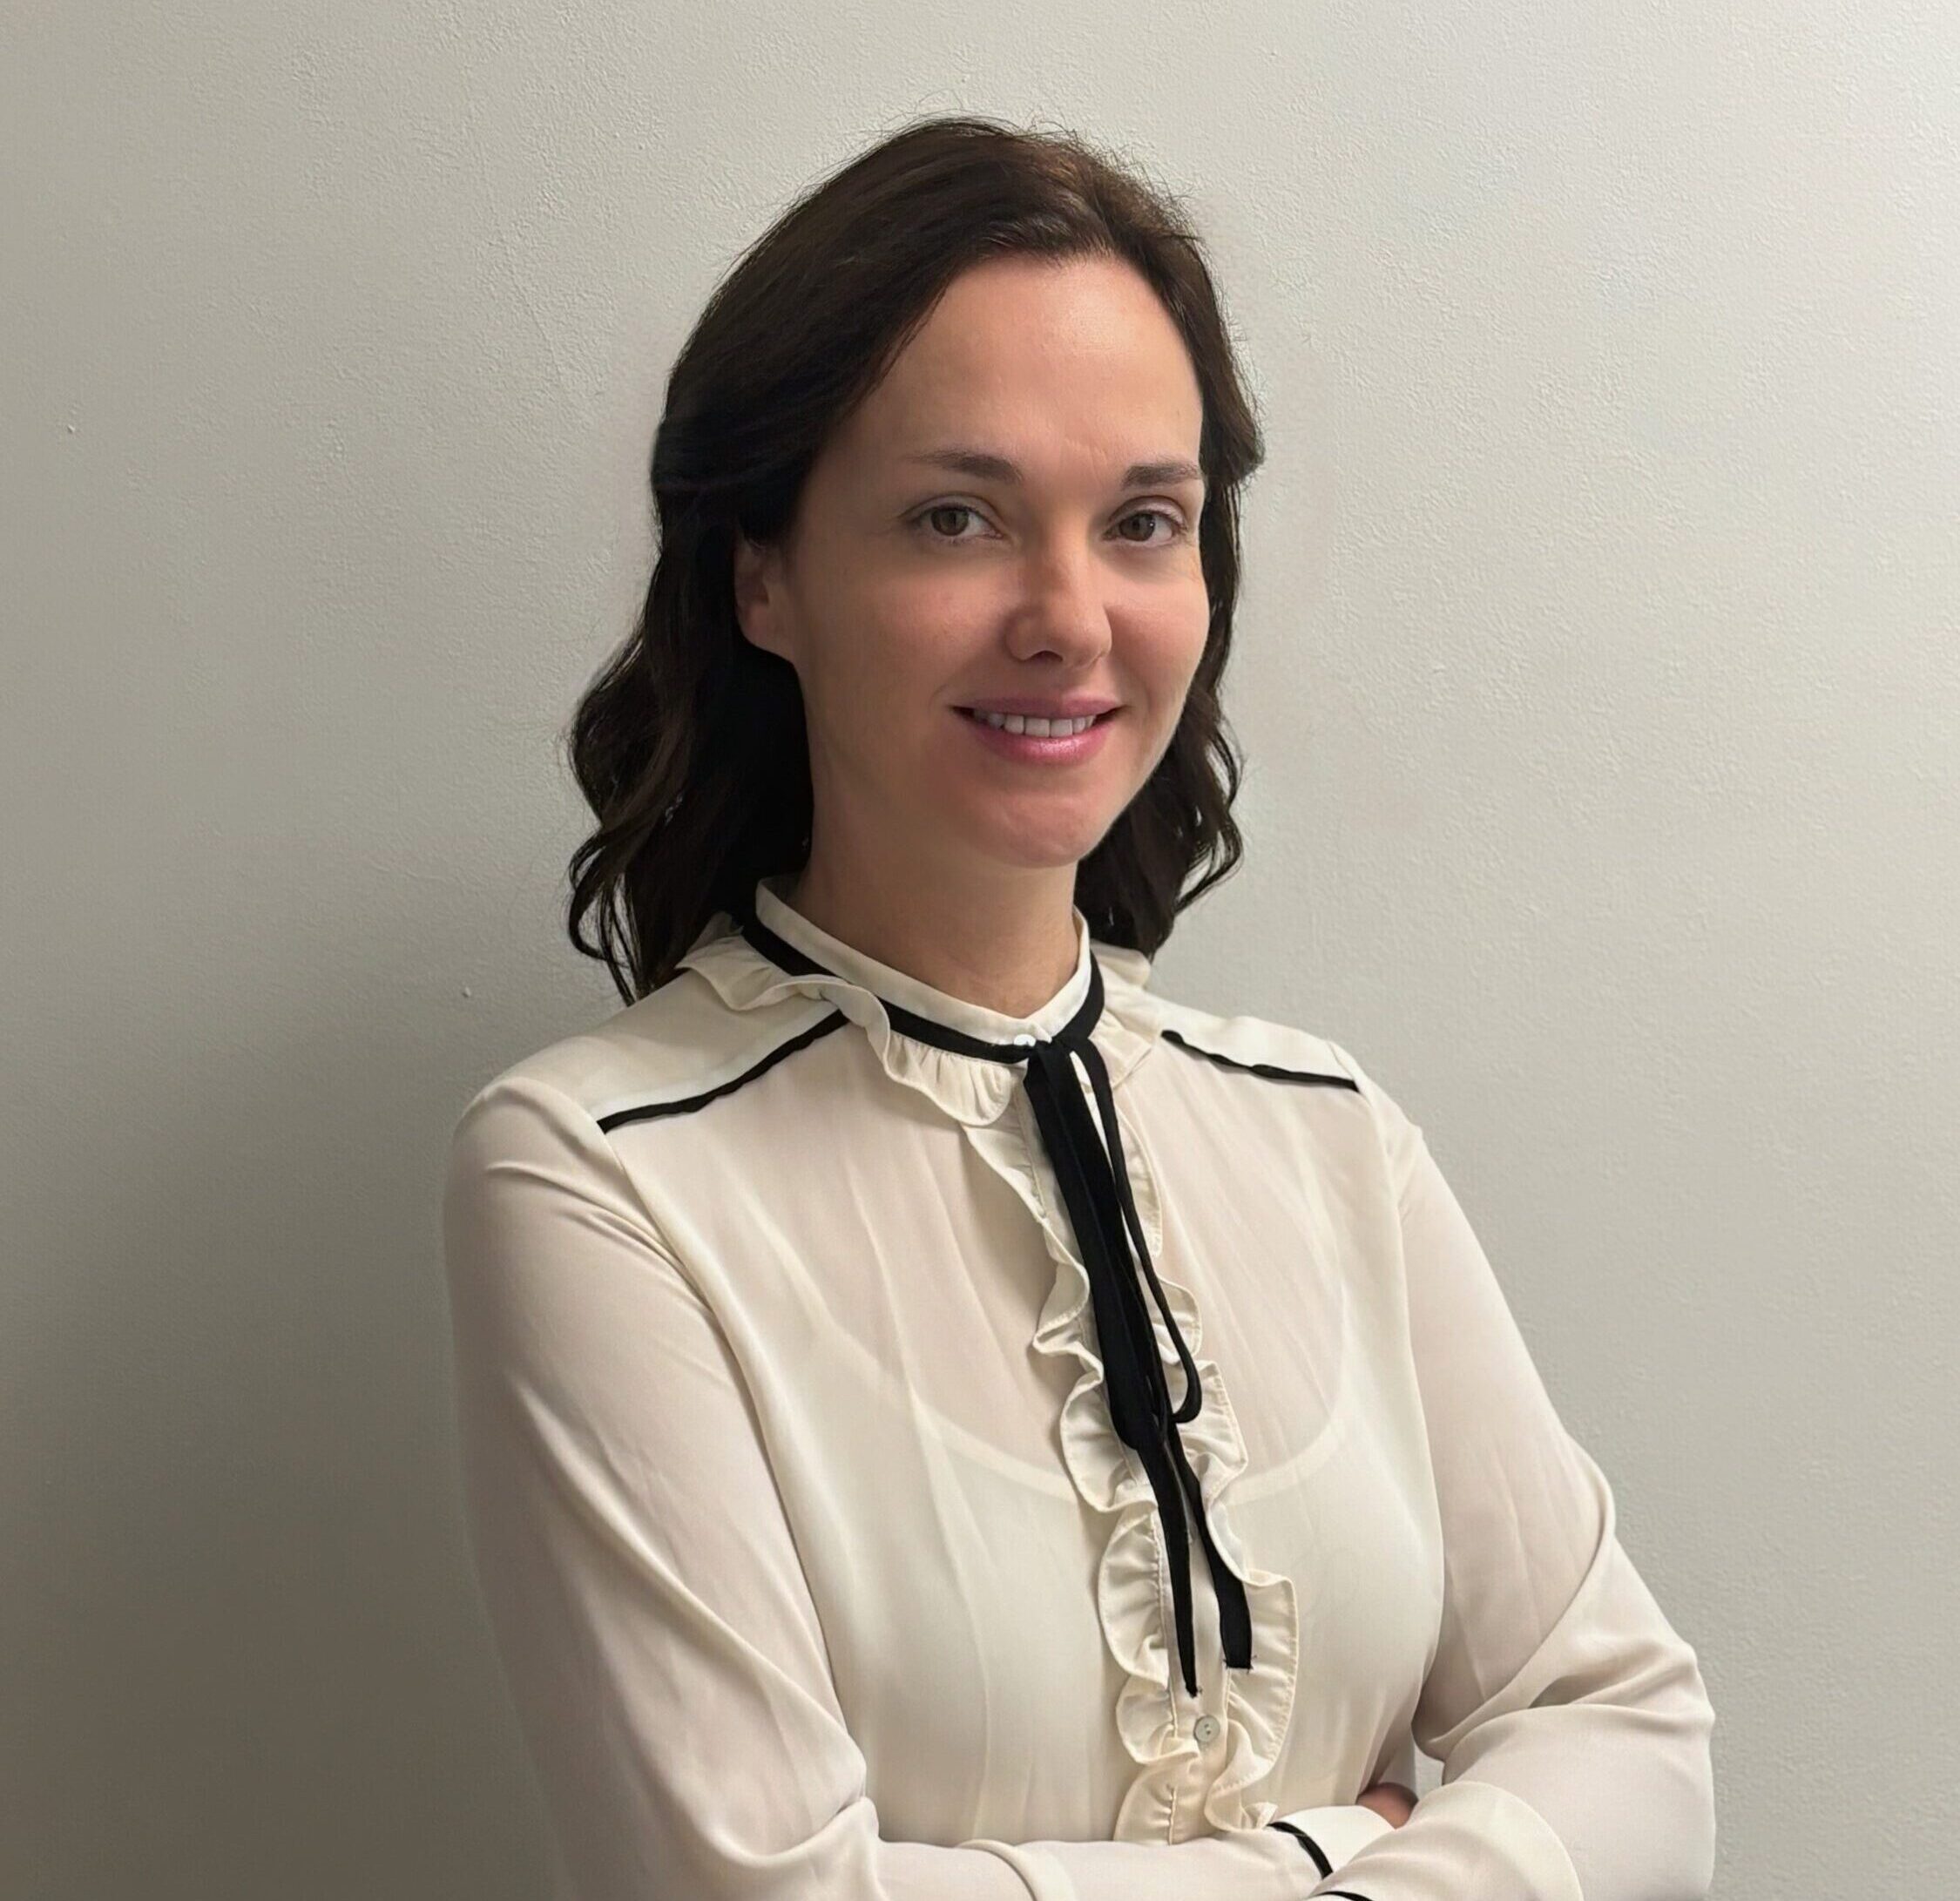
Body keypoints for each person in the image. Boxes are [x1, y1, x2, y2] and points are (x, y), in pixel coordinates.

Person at [440, 114, 1716, 1901]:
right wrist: (1355, 1844)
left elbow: (1636, 1738)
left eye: (1140, 522)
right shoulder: (602, 1173)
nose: (1067, 616)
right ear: (763, 573)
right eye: (956, 516)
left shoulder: (1327, 1134)